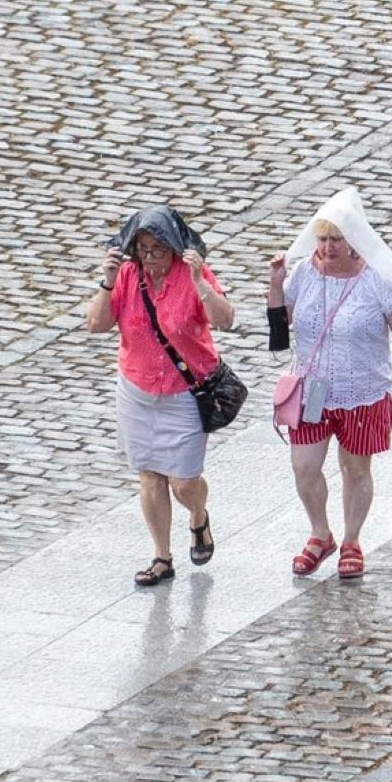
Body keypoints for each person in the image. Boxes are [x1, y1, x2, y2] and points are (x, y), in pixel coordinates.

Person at [266, 187, 392, 579]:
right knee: (304, 467)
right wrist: (275, 284)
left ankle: (351, 539)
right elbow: (281, 332)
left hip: (362, 392)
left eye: (337, 239)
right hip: (313, 391)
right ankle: (320, 533)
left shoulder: (376, 281)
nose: (329, 247)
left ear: (355, 242)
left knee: (355, 468)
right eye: (323, 238)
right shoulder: (303, 275)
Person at [86, 206, 236, 586]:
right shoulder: (126, 276)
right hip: (137, 390)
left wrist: (201, 282)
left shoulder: (191, 276)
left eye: (158, 249)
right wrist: (106, 281)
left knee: (183, 481)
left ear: (174, 248)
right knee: (150, 475)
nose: (150, 257)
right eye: (143, 249)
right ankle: (161, 556)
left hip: (185, 392)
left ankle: (198, 516)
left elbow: (224, 320)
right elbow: (96, 325)